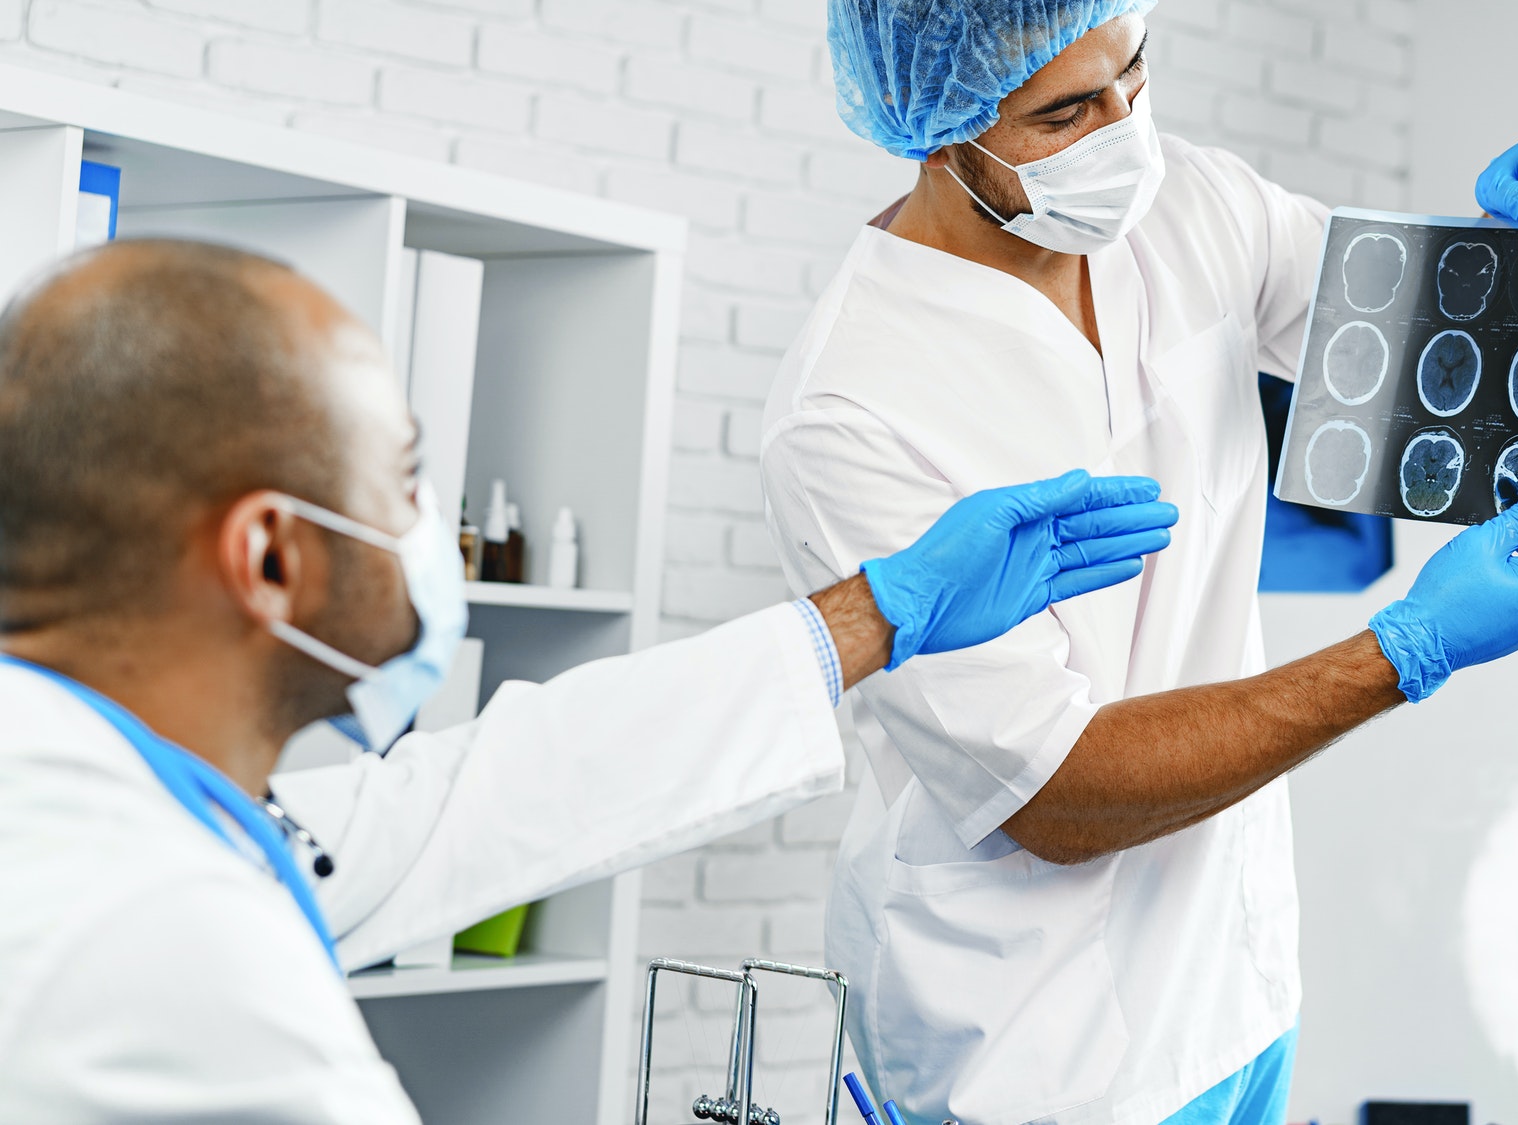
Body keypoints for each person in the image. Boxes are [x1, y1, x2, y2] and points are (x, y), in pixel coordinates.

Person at [761, 0, 1518, 1125]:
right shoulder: (850, 410)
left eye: (1136, 73)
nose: (1123, 138)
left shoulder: (1194, 210)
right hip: (1027, 1049)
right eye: (1063, 116)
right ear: (939, 133)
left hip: (1233, 987)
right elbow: (1052, 792)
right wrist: (1405, 650)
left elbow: (1423, 344)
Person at [0, 238, 1178, 1122]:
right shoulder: (159, 940)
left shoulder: (102, 795)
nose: (430, 523)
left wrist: (873, 615)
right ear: (271, 556)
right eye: (404, 480)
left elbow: (488, 794)